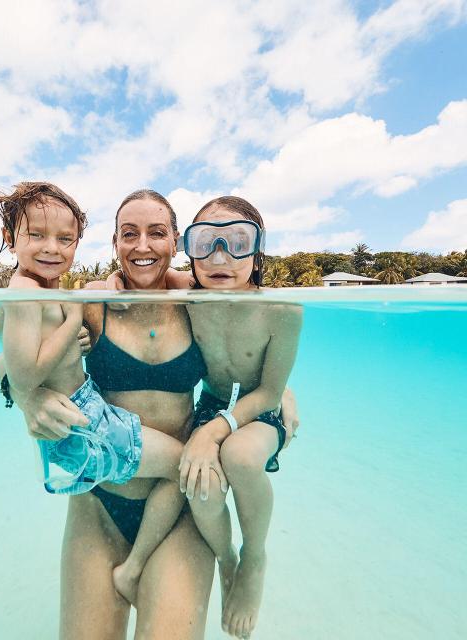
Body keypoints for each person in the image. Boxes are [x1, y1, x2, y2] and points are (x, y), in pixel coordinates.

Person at [0, 189, 215, 639]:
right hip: (99, 505)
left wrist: (278, 393)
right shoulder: (93, 301)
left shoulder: (203, 302)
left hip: (181, 512)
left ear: (175, 241)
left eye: (157, 233)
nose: (142, 246)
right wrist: (28, 400)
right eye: (129, 234)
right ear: (114, 243)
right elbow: (8, 364)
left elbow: (245, 359)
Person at [179, 196, 302, 639]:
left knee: (241, 457)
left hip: (261, 409)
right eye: (205, 242)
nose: (219, 257)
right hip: (213, 405)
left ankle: (253, 555)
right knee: (200, 485)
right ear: (188, 249)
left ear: (257, 251)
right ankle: (225, 555)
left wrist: (214, 431)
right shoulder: (185, 297)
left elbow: (270, 389)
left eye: (237, 242)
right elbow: (124, 281)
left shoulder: (282, 310)